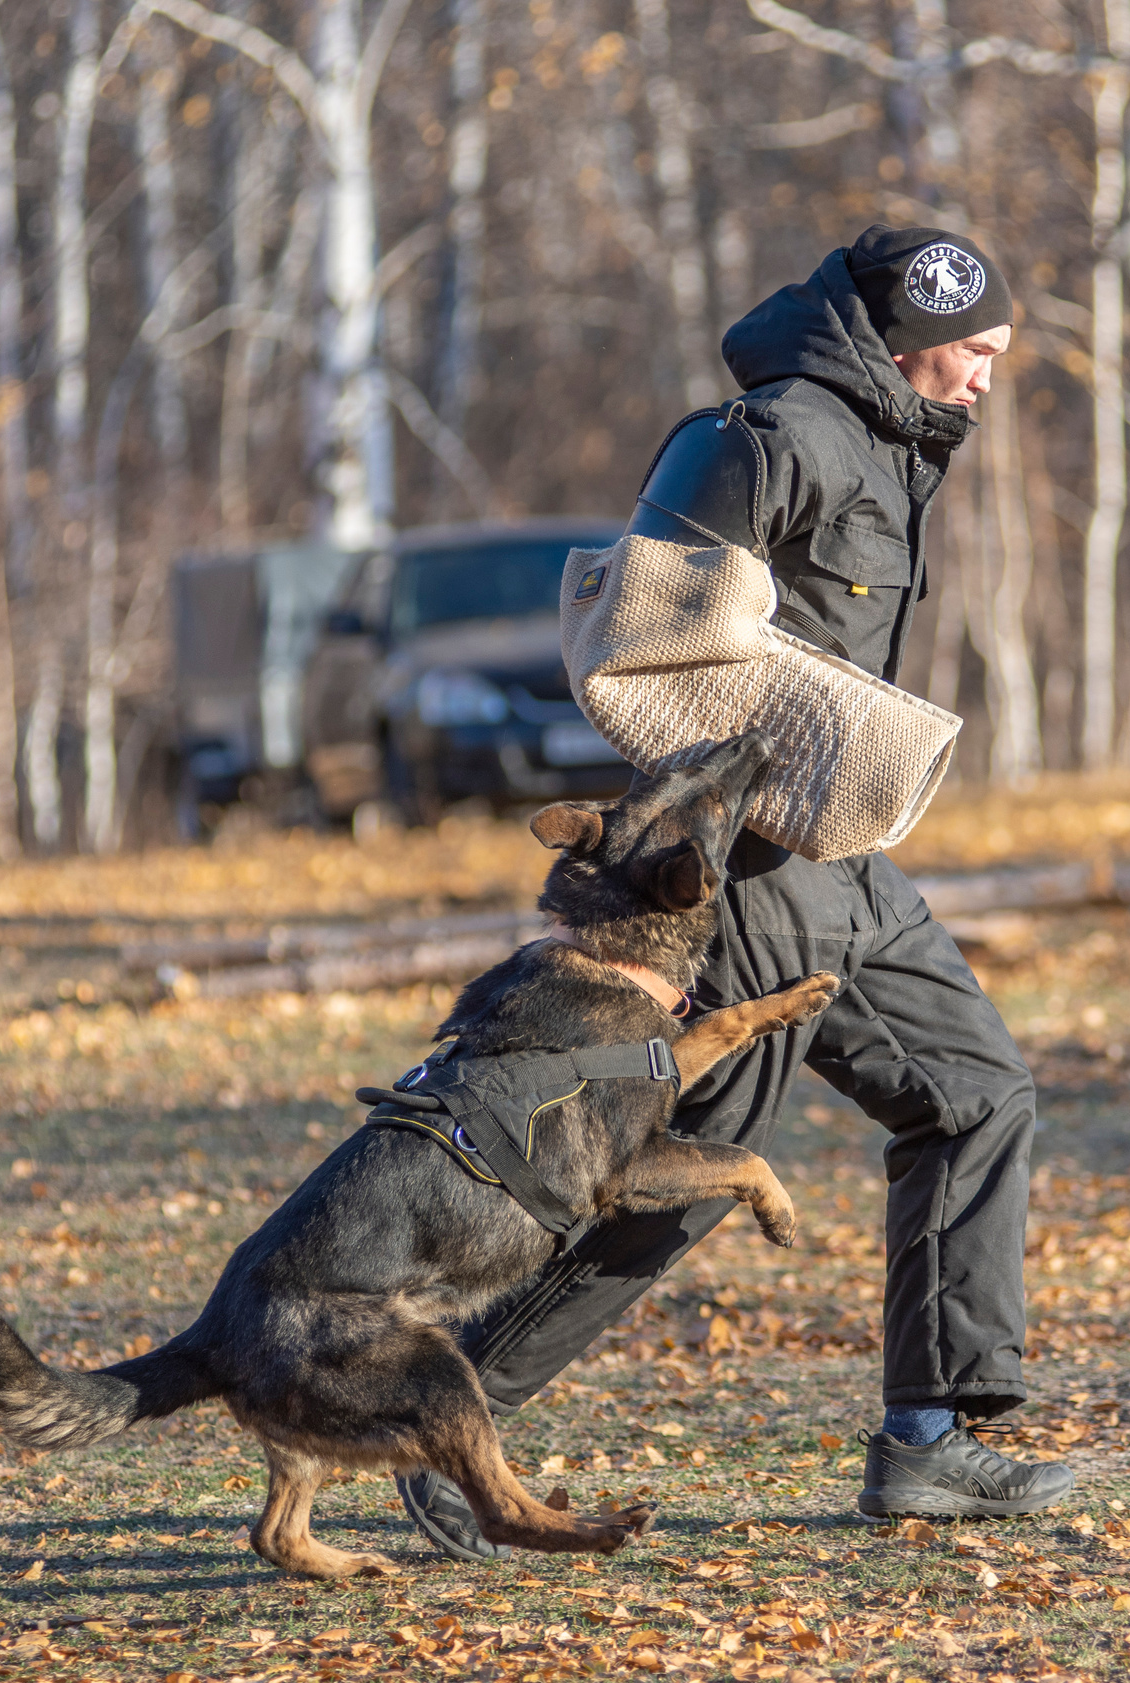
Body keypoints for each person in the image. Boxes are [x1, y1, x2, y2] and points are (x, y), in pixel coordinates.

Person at [397, 225, 1074, 1558]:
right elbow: (638, 637)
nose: (988, 376)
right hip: (752, 866)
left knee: (976, 1090)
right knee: (697, 1164)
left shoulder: (887, 441)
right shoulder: (764, 438)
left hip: (846, 859)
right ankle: (445, 1420)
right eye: (975, 349)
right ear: (909, 333)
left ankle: (929, 1442)